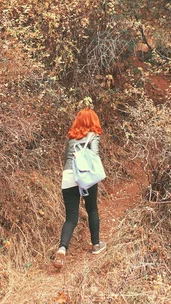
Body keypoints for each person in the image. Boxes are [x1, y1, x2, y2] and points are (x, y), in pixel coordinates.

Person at [53, 97, 106, 270]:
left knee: (71, 217)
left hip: (68, 176)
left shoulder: (70, 139)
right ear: (93, 121)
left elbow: (66, 160)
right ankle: (96, 245)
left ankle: (62, 249)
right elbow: (94, 156)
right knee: (92, 209)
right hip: (85, 177)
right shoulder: (93, 136)